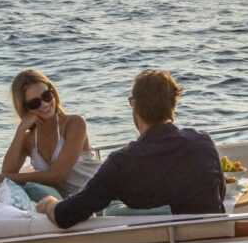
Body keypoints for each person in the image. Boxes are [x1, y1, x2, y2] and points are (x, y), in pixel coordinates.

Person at [36, 68, 224, 228]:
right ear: (173, 104)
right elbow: (219, 195)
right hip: (213, 237)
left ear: (134, 104)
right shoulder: (203, 142)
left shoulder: (122, 162)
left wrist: (50, 204)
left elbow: (67, 215)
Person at [0, 68, 100, 243]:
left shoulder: (74, 123)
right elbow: (8, 173)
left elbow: (57, 175)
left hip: (96, 194)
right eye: (34, 103)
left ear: (53, 92)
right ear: (25, 108)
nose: (45, 104)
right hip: (64, 206)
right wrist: (21, 130)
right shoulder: (30, 139)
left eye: (47, 96)